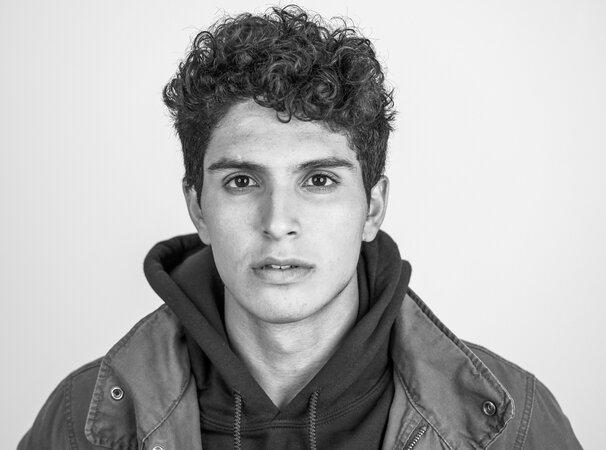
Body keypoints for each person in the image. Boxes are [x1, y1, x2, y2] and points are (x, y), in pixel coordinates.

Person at [19, 5, 582, 449]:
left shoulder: (514, 424)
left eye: (318, 180)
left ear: (373, 208)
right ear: (197, 208)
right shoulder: (80, 421)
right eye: (242, 181)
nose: (278, 222)